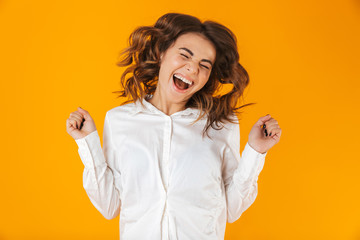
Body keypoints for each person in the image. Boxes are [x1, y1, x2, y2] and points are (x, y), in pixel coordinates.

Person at [66, 13, 282, 240]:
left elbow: (232, 209)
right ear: (162, 54)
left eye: (204, 65)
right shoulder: (119, 120)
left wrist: (255, 151)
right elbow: (109, 206)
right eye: (184, 56)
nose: (192, 69)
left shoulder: (221, 125)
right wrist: (87, 142)